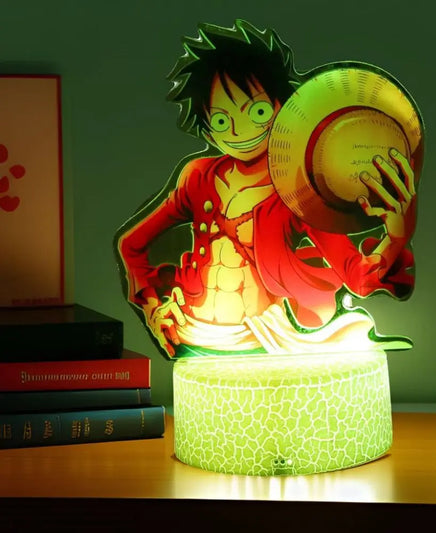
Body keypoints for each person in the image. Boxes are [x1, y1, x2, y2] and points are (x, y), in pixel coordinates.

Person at [115, 20, 417, 358]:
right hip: (192, 335)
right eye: (221, 120)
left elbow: (356, 277)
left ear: (282, 107)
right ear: (207, 128)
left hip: (263, 341)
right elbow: (131, 245)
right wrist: (153, 308)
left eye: (258, 111)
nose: (240, 130)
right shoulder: (198, 177)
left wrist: (396, 236)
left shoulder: (298, 190)